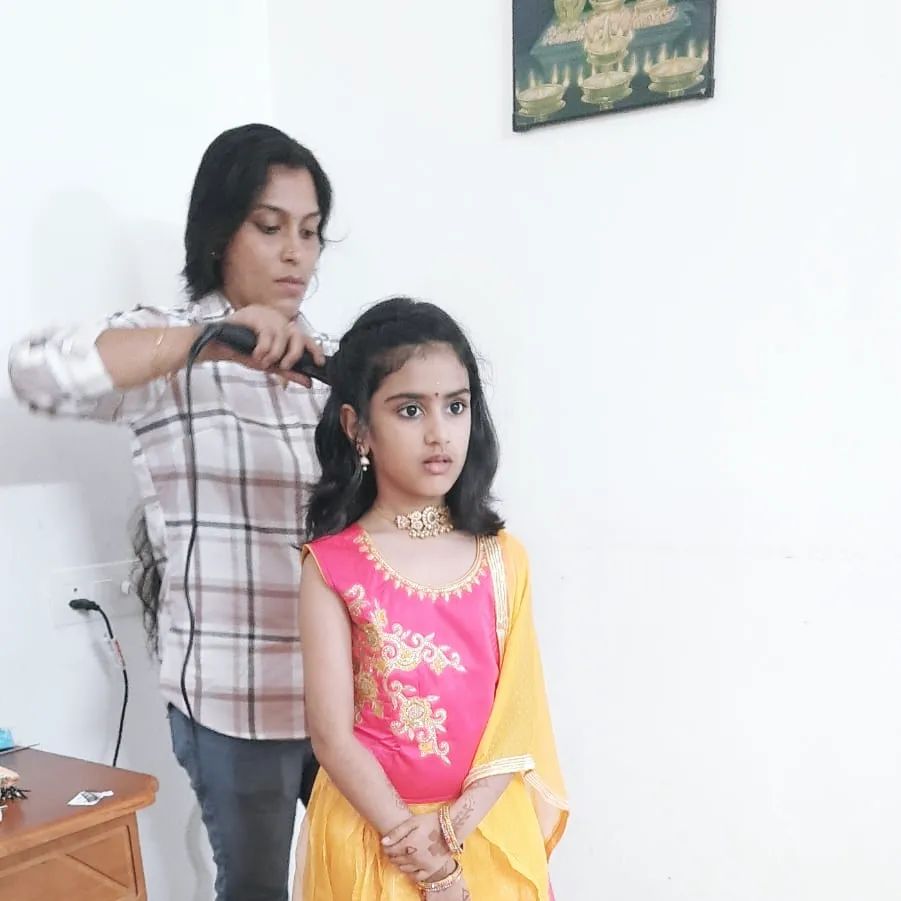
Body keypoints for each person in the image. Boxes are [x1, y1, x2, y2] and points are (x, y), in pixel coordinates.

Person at [8, 123, 336, 901]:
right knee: (255, 889)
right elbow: (33, 371)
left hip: (337, 691)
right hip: (232, 699)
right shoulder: (170, 348)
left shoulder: (323, 362)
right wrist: (208, 339)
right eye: (270, 227)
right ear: (220, 232)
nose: (295, 253)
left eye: (310, 231)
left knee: (355, 874)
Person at [294, 297, 568, 900]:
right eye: (410, 409)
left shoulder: (503, 559)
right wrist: (428, 861)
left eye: (456, 406)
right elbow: (331, 737)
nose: (439, 432)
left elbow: (516, 713)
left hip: (485, 830)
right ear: (357, 428)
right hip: (375, 838)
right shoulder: (331, 567)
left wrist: (452, 830)